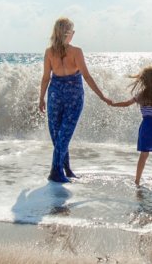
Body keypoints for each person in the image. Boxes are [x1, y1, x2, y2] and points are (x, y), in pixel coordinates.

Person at [39, 17, 111, 183]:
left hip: (55, 94)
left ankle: (65, 169)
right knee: (62, 135)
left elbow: (45, 78)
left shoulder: (49, 52)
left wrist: (41, 98)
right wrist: (102, 96)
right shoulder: (76, 52)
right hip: (72, 95)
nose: (74, 34)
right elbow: (86, 76)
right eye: (72, 31)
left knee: (60, 134)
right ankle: (55, 171)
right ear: (68, 33)